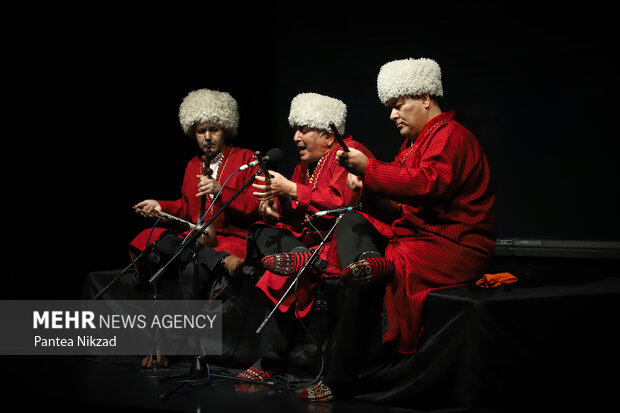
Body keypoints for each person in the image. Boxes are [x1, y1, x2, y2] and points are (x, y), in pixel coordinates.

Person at [314, 57, 495, 400]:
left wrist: (370, 169)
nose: (392, 115)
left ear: (425, 97)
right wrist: (365, 187)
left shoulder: (452, 136)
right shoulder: (412, 146)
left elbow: (429, 186)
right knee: (353, 220)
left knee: (385, 267)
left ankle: (342, 378)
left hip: (452, 245)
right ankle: (368, 261)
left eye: (398, 105)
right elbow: (398, 206)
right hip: (416, 235)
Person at [236, 93, 376, 391]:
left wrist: (291, 188)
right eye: (295, 129)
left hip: (338, 246)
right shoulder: (305, 165)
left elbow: (343, 203)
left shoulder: (350, 152)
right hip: (307, 245)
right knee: (262, 229)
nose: (295, 137)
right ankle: (300, 255)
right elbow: (297, 218)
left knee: (279, 273)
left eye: (304, 129)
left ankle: (269, 362)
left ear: (327, 134)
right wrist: (277, 207)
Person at [131, 88, 261, 302]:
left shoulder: (245, 158)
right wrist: (159, 206)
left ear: (225, 129)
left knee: (191, 271)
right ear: (194, 133)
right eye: (201, 131)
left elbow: (256, 207)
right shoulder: (193, 164)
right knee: (151, 238)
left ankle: (182, 331)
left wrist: (221, 191)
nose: (207, 137)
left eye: (213, 129)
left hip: (230, 240)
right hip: (198, 241)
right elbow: (185, 208)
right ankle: (219, 260)